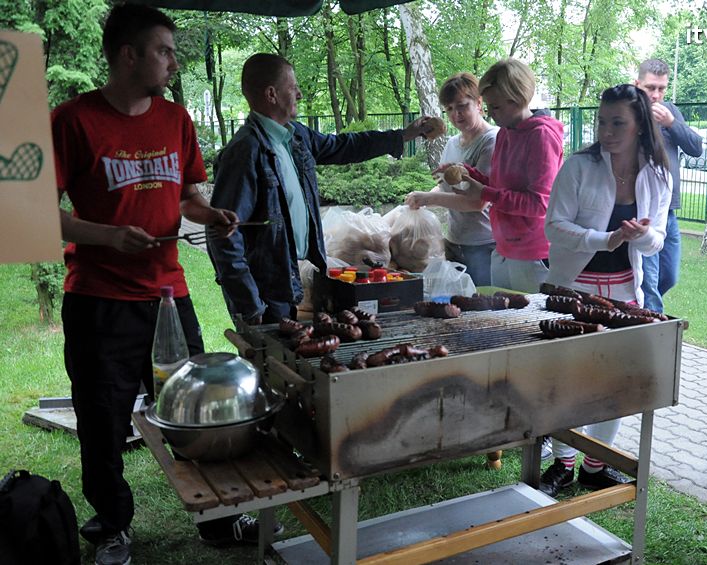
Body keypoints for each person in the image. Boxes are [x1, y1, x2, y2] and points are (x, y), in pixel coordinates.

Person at [48, 6, 296, 565]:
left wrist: (211, 215)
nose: (172, 61)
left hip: (168, 292)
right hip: (99, 299)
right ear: (128, 54)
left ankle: (218, 519)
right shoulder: (72, 120)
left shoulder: (176, 118)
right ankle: (112, 525)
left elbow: (188, 194)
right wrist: (108, 237)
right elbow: (36, 211)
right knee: (103, 417)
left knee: (197, 410)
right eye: (164, 50)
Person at [207, 53, 438, 324]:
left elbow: (345, 146)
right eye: (293, 88)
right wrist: (250, 304)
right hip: (263, 291)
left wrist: (403, 136)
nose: (300, 94)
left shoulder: (294, 136)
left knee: (287, 362)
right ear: (271, 94)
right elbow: (221, 236)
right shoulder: (244, 152)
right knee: (268, 364)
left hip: (286, 280)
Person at [538, 84, 671, 497]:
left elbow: (659, 240)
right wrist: (606, 239)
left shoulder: (658, 172)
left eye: (618, 122)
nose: (607, 131)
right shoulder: (578, 167)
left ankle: (595, 463)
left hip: (624, 292)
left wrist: (638, 236)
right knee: (567, 381)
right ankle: (562, 461)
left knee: (616, 383)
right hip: (573, 288)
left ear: (640, 127)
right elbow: (553, 227)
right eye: (602, 121)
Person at [443, 58, 564, 293]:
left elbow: (540, 203)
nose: (490, 114)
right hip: (504, 248)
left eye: (496, 107)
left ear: (518, 98)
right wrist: (470, 173)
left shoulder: (541, 136)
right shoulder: (505, 133)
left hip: (533, 254)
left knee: (530, 326)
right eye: (488, 106)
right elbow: (500, 185)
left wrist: (485, 192)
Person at [404, 72, 498, 285]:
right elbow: (445, 188)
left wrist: (428, 198)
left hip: (484, 245)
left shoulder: (492, 141)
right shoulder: (452, 143)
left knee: (483, 311)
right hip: (454, 242)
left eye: (462, 106)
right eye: (449, 109)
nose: (456, 114)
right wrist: (422, 199)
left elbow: (477, 202)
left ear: (479, 103)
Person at [634, 58, 703, 313]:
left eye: (661, 89)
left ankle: (637, 307)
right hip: (643, 212)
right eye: (650, 88)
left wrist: (671, 124)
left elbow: (696, 148)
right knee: (649, 283)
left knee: (669, 276)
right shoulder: (629, 113)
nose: (656, 95)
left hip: (669, 211)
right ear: (637, 84)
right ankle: (653, 327)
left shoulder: (670, 111)